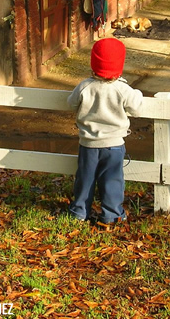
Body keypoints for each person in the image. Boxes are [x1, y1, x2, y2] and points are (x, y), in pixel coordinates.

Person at [67, 37, 143, 224]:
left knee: (85, 179)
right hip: (114, 146)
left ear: (94, 63)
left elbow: (70, 104)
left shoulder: (85, 86)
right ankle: (111, 213)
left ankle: (79, 211)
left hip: (88, 144)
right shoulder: (122, 89)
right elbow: (137, 109)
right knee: (112, 180)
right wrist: (138, 94)